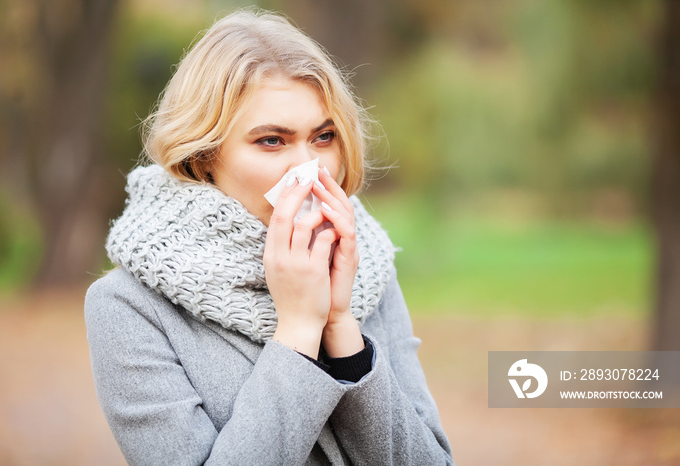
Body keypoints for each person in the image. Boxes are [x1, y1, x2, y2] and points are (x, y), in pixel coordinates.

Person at [85, 8, 454, 465]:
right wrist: (299, 328)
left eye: (323, 137)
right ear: (203, 156)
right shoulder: (128, 308)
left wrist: (341, 325)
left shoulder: (367, 266)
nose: (309, 169)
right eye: (272, 141)